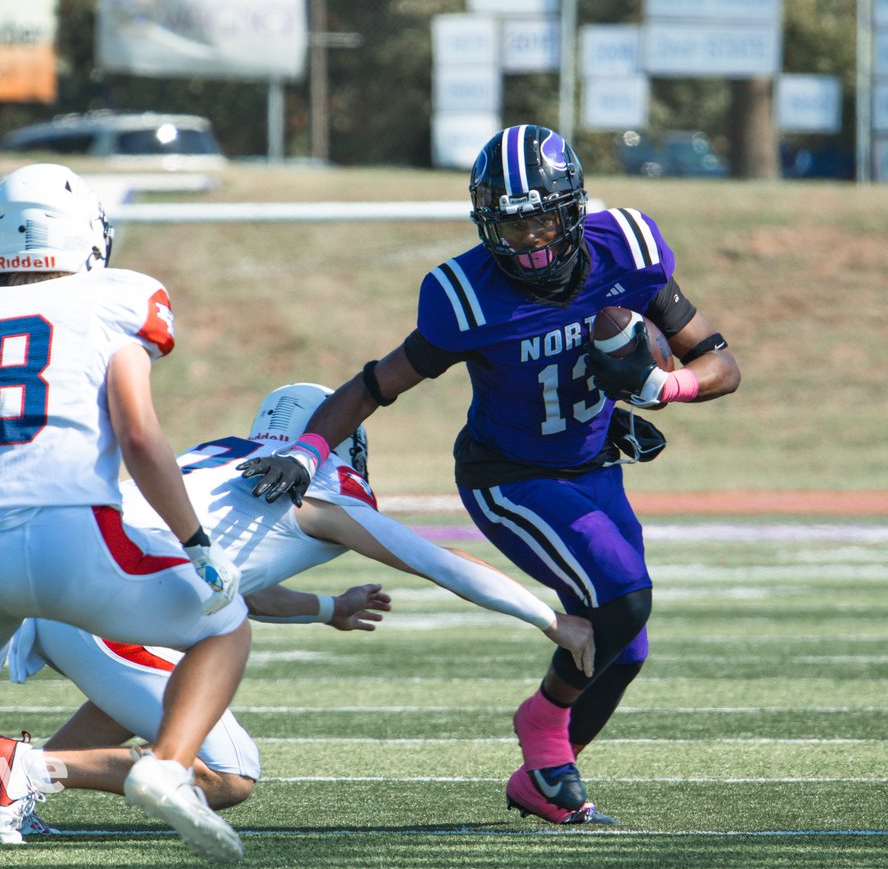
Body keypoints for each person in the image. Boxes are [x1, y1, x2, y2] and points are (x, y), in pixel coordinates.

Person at [238, 124, 741, 825]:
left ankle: (545, 777)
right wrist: (306, 451)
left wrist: (662, 388)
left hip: (592, 466)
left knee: (624, 645)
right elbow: (377, 384)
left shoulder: (628, 247)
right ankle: (540, 724)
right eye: (511, 225)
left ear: (573, 209)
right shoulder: (465, 294)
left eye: (542, 219)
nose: (531, 241)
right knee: (624, 602)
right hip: (509, 477)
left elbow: (720, 363)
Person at [0, 382, 596, 841]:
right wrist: (550, 619)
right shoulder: (319, 489)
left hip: (69, 588)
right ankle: (26, 768)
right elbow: (439, 562)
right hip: (110, 598)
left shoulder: (222, 457)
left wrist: (325, 608)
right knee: (230, 775)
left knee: (152, 691)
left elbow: (225, 582)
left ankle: (1, 802)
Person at [0, 163, 251, 869]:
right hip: (79, 530)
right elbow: (139, 438)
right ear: (86, 237)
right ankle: (166, 766)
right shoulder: (118, 300)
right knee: (225, 625)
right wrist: (198, 545)